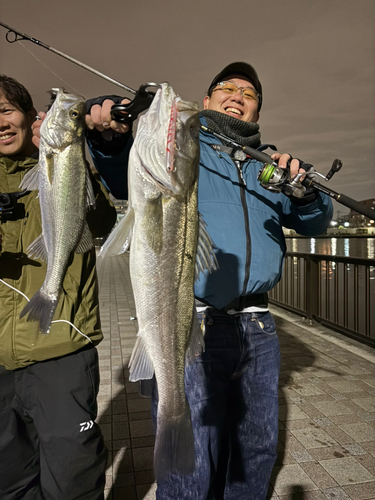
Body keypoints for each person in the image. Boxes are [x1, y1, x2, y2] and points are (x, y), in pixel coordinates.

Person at [83, 62, 334, 500]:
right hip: (191, 319)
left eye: (249, 93)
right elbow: (122, 164)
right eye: (226, 87)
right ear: (206, 101)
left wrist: (307, 193)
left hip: (259, 326)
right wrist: (108, 133)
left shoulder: (269, 165)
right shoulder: (184, 144)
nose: (237, 94)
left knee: (255, 446)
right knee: (194, 451)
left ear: (256, 111)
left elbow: (314, 224)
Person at [0, 75, 118, 500]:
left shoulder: (65, 157)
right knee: (9, 480)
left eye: (6, 110)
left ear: (33, 118)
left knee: (73, 478)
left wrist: (85, 155)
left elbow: (103, 219)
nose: (0, 123)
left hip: (60, 348)